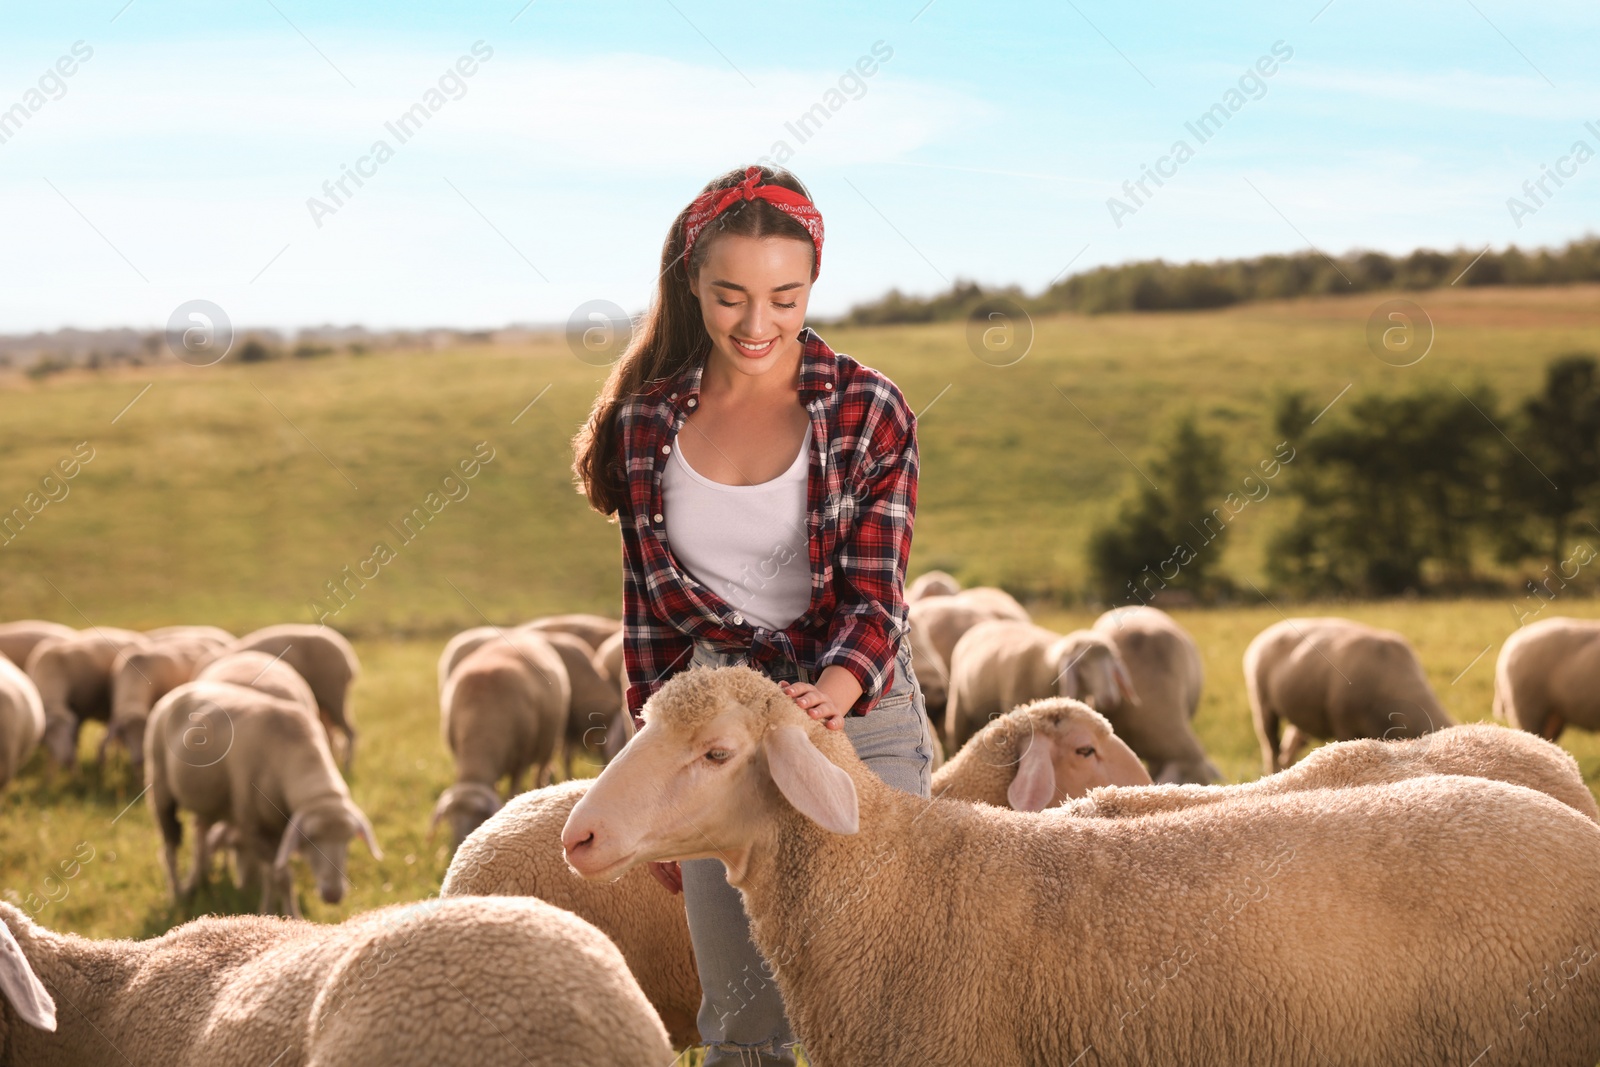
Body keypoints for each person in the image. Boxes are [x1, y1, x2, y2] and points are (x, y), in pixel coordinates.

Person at [570, 163, 935, 1065]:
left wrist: (835, 693)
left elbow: (877, 593)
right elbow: (649, 625)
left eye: (786, 295)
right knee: (742, 1018)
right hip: (712, 736)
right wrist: (651, 773)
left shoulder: (867, 408)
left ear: (813, 285)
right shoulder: (644, 423)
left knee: (893, 998)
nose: (757, 323)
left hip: (859, 716)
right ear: (691, 283)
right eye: (731, 295)